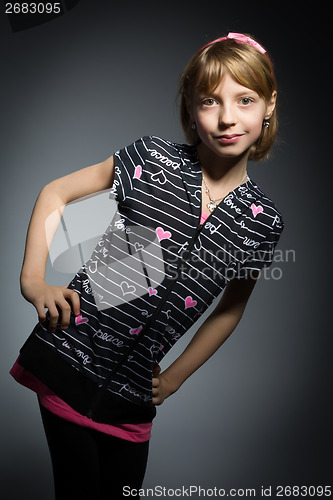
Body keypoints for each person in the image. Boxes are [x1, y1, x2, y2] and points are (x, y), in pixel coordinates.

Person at [10, 32, 284, 499]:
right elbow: (56, 193)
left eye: (244, 99)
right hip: (70, 359)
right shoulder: (152, 160)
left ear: (268, 106)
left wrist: (175, 377)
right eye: (209, 101)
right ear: (191, 111)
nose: (227, 118)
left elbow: (231, 308)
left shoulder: (264, 221)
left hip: (133, 396)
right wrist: (33, 281)